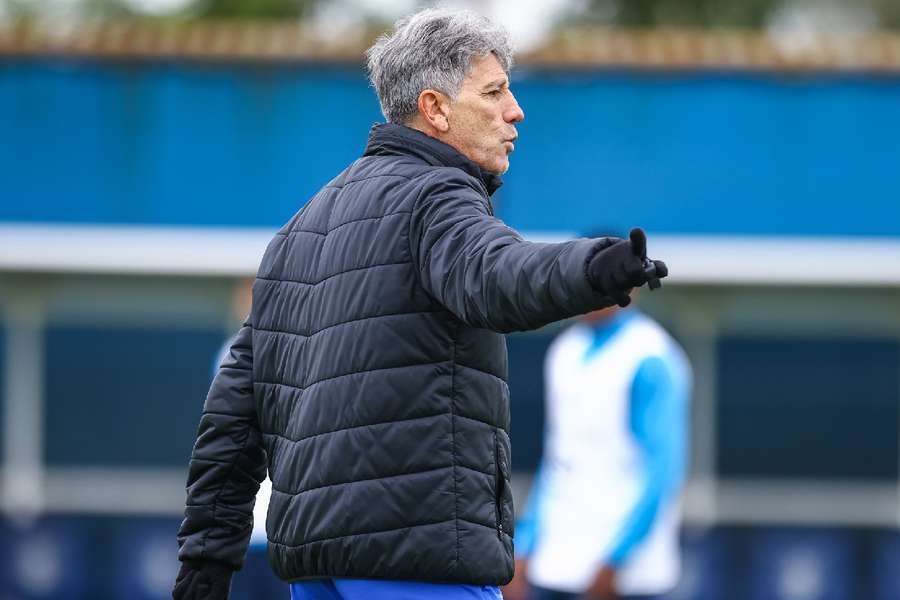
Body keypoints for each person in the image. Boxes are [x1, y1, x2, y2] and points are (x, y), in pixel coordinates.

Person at [172, 8, 669, 600]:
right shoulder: (436, 194)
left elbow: (233, 414)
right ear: (435, 108)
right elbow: (497, 273)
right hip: (417, 562)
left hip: (316, 572)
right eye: (495, 91)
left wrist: (206, 561)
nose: (516, 110)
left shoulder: (298, 230)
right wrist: (592, 269)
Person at [506, 280, 691, 600]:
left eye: (599, 278)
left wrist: (616, 559)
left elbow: (664, 469)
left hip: (627, 578)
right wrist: (525, 544)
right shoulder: (565, 350)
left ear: (630, 287)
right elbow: (558, 458)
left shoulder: (651, 355)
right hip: (561, 562)